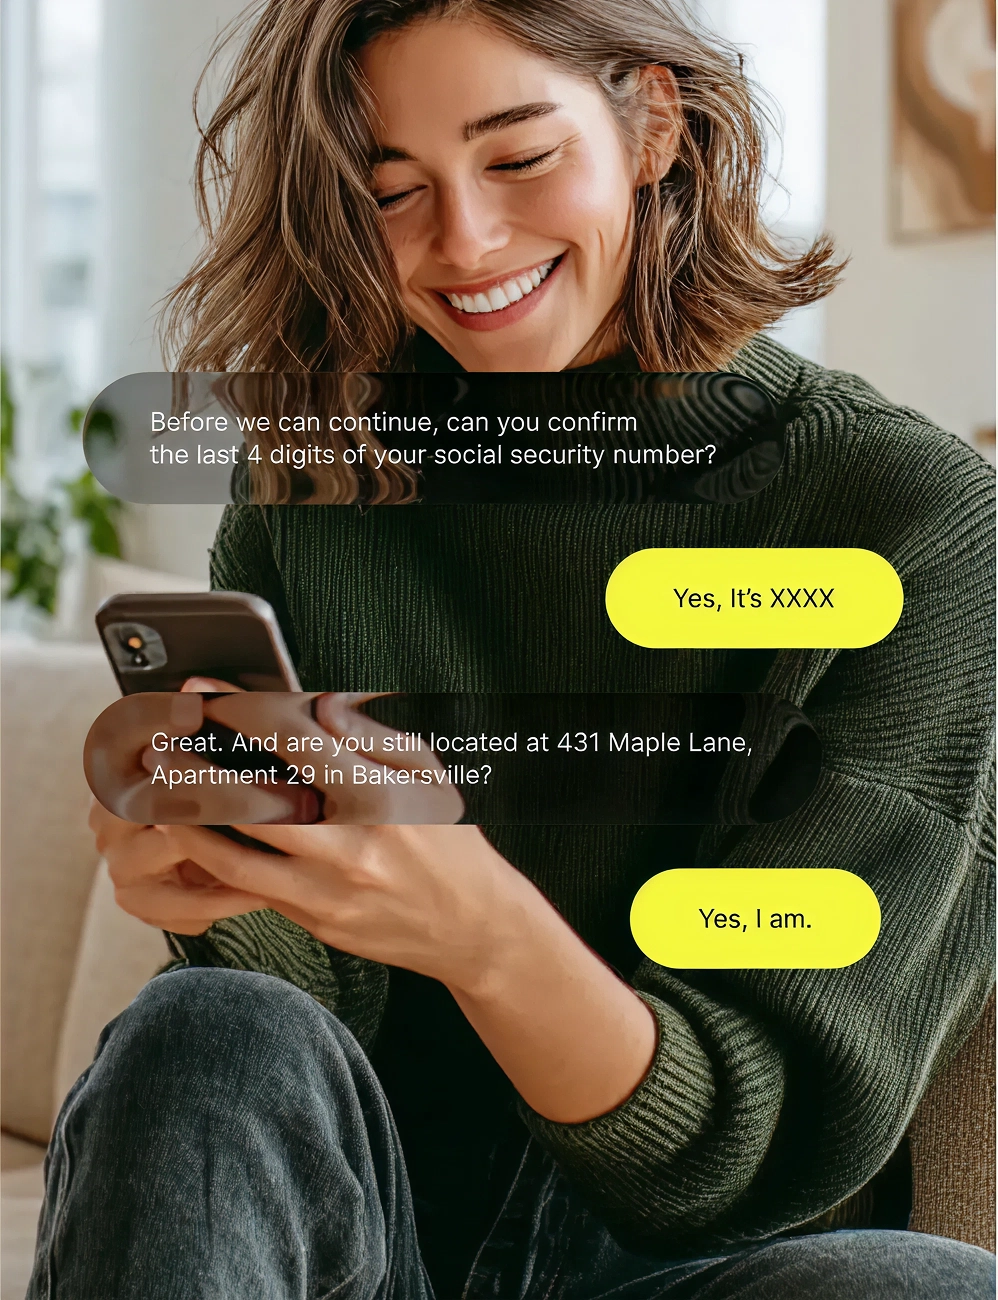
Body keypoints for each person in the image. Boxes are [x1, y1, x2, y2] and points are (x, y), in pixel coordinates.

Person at [30, 1, 995, 1297]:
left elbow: (743, 1150)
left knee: (928, 1288)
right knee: (206, 1025)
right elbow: (291, 1034)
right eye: (390, 192)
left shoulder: (911, 524)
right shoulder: (321, 475)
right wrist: (225, 870)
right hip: (364, 1245)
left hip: (677, 1266)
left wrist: (483, 931)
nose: (462, 242)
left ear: (651, 121)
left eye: (518, 158)